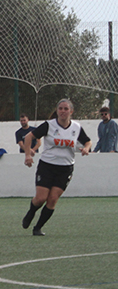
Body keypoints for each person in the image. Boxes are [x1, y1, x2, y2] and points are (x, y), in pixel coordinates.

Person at [21, 98, 91, 236]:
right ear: (57, 111)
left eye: (66, 109)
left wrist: (86, 148)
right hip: (47, 166)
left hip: (65, 168)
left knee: (53, 199)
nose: (63, 111)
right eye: (60, 108)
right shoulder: (49, 125)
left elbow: (87, 141)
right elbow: (29, 137)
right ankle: (31, 212)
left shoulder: (76, 127)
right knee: (41, 198)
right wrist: (28, 155)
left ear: (71, 111)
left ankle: (38, 228)